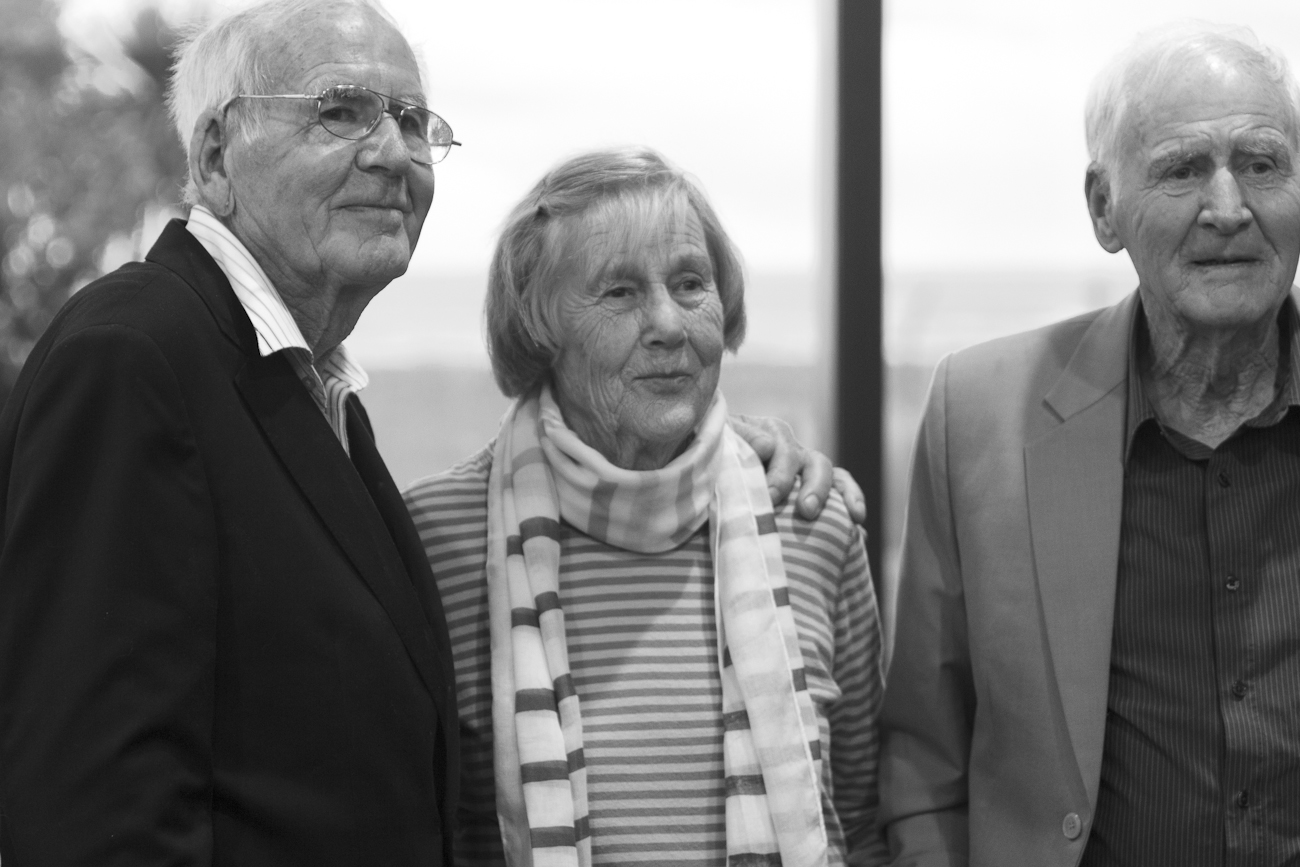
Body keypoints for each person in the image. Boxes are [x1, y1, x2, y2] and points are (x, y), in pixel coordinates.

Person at [0, 2, 848, 864]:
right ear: (216, 155)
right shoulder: (133, 355)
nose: (392, 152)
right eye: (340, 111)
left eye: (412, 120)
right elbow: (93, 810)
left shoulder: (315, 395)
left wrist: (715, 454)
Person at [879, 21, 1300, 867]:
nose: (1229, 208)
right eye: (1183, 169)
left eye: (1262, 164)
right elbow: (924, 762)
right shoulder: (980, 417)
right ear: (1104, 207)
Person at [404, 147, 887, 867]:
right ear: (539, 329)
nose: (668, 323)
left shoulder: (813, 524)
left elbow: (866, 822)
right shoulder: (437, 538)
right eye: (620, 292)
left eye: (690, 284)